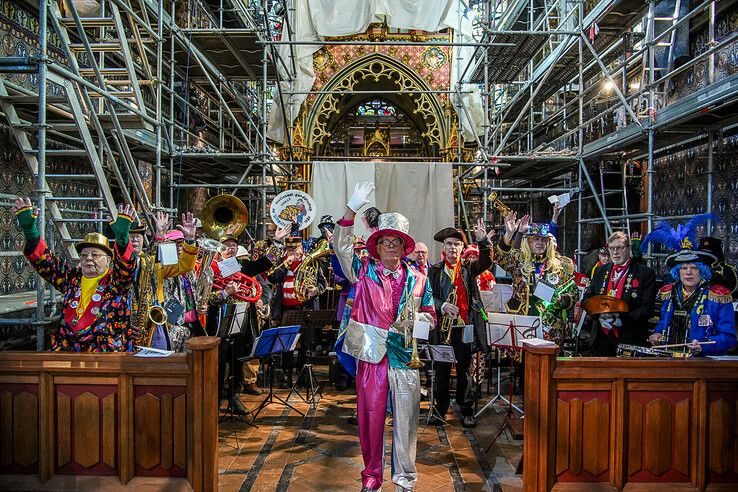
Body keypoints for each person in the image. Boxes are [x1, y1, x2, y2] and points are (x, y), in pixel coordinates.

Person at [334, 182, 436, 492]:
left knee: (406, 423)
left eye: (396, 242)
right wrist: (351, 210)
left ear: (405, 247)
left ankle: (405, 479)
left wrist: (417, 320)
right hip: (372, 356)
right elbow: (341, 246)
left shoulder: (419, 278)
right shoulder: (362, 271)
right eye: (385, 241)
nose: (391, 246)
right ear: (377, 246)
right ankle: (372, 479)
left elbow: (431, 315)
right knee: (370, 420)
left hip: (405, 357)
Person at [12, 197, 136, 351]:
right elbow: (45, 261)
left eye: (95, 255)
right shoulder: (72, 278)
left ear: (109, 260)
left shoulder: (116, 282)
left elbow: (126, 267)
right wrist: (30, 231)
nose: (88, 258)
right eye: (84, 255)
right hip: (67, 355)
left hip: (105, 360)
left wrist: (123, 238)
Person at [427, 221, 492, 428]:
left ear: (462, 249)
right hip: (442, 329)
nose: (452, 247)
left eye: (456, 244)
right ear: (443, 248)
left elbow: (486, 262)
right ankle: (440, 411)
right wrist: (442, 305)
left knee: (465, 371)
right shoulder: (434, 271)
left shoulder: (468, 269)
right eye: (449, 244)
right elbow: (427, 299)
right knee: (442, 371)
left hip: (464, 328)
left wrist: (483, 241)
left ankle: (466, 411)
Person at [496, 212, 576, 342]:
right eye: (535, 239)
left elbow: (573, 294)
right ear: (527, 241)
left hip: (549, 326)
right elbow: (500, 258)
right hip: (521, 322)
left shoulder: (562, 265)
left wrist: (561, 300)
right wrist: (509, 234)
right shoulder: (519, 261)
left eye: (543, 239)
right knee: (522, 361)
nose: (540, 243)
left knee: (546, 362)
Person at [129, 211, 199, 350]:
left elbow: (184, 266)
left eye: (138, 236)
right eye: (130, 236)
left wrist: (190, 240)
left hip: (153, 326)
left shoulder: (151, 262)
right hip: (126, 326)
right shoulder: (113, 264)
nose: (135, 239)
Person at [649, 248, 736, 356]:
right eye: (684, 268)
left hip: (705, 362)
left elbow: (729, 338)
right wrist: (657, 334)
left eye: (694, 268)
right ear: (678, 271)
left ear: (702, 271)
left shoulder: (718, 295)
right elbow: (663, 323)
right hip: (669, 359)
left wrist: (703, 346)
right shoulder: (669, 293)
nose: (688, 272)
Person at [582, 231, 656, 356]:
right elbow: (587, 298)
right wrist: (598, 317)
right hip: (601, 338)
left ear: (628, 248)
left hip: (629, 338)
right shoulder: (600, 271)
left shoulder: (644, 273)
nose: (615, 252)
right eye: (612, 248)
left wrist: (622, 320)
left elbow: (647, 308)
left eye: (619, 248)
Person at [268, 235, 326, 388]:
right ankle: (286, 376)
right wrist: (286, 264)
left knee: (306, 344)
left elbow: (323, 283)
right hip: (287, 309)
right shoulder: (282, 261)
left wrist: (316, 290)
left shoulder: (311, 262)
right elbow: (273, 278)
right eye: (289, 249)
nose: (292, 252)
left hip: (306, 308)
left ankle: (303, 376)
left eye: (295, 248)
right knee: (287, 344)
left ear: (302, 248)